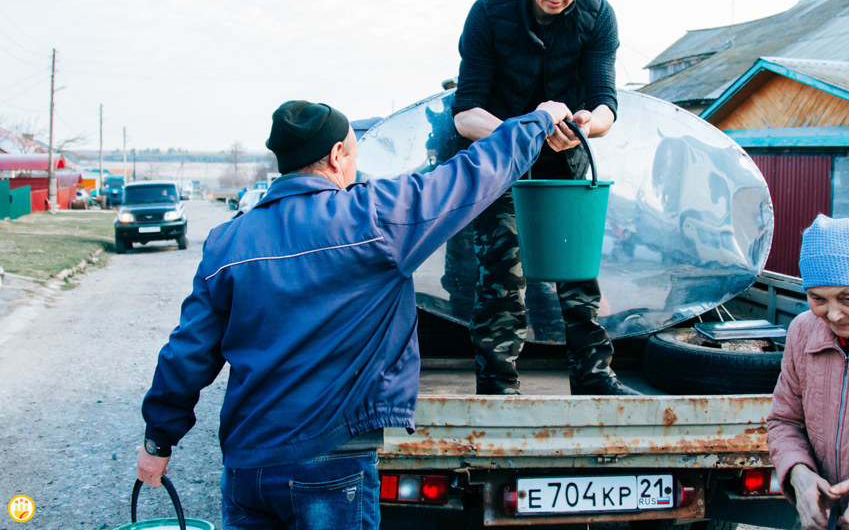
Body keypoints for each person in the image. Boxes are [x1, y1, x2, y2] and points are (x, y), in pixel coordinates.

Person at [136, 98, 574, 529]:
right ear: (336, 155)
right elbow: (469, 176)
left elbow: (188, 353)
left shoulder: (227, 242)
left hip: (247, 468)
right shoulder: (371, 219)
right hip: (331, 466)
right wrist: (538, 121)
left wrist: (158, 439)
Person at [450, 0, 637, 395]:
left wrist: (586, 124)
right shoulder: (491, 9)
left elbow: (606, 105)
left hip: (565, 154)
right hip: (500, 159)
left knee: (579, 275)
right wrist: (526, 130)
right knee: (502, 276)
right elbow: (465, 113)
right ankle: (497, 387)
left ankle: (594, 377)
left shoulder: (598, 15)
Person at [767, 214, 849, 530]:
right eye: (817, 298)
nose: (834, 314)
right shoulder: (803, 332)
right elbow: (784, 421)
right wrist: (798, 472)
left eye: (847, 298)